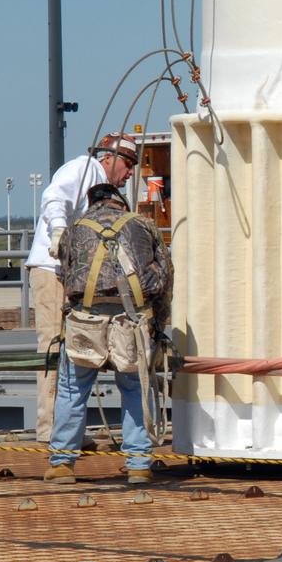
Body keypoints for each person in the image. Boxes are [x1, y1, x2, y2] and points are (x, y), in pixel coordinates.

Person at [45, 182, 172, 485]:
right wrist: (158, 327)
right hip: (132, 319)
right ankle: (139, 463)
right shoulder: (143, 225)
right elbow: (165, 276)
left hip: (85, 318)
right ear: (121, 203)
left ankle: (62, 462)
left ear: (92, 204)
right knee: (135, 387)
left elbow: (64, 272)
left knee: (73, 390)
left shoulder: (75, 229)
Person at [25, 133, 140, 444]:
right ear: (109, 158)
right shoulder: (84, 169)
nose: (130, 173)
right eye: (128, 164)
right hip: (53, 272)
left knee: (76, 350)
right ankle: (51, 430)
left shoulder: (106, 189)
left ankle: (67, 432)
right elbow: (54, 198)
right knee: (53, 346)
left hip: (77, 279)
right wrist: (58, 232)